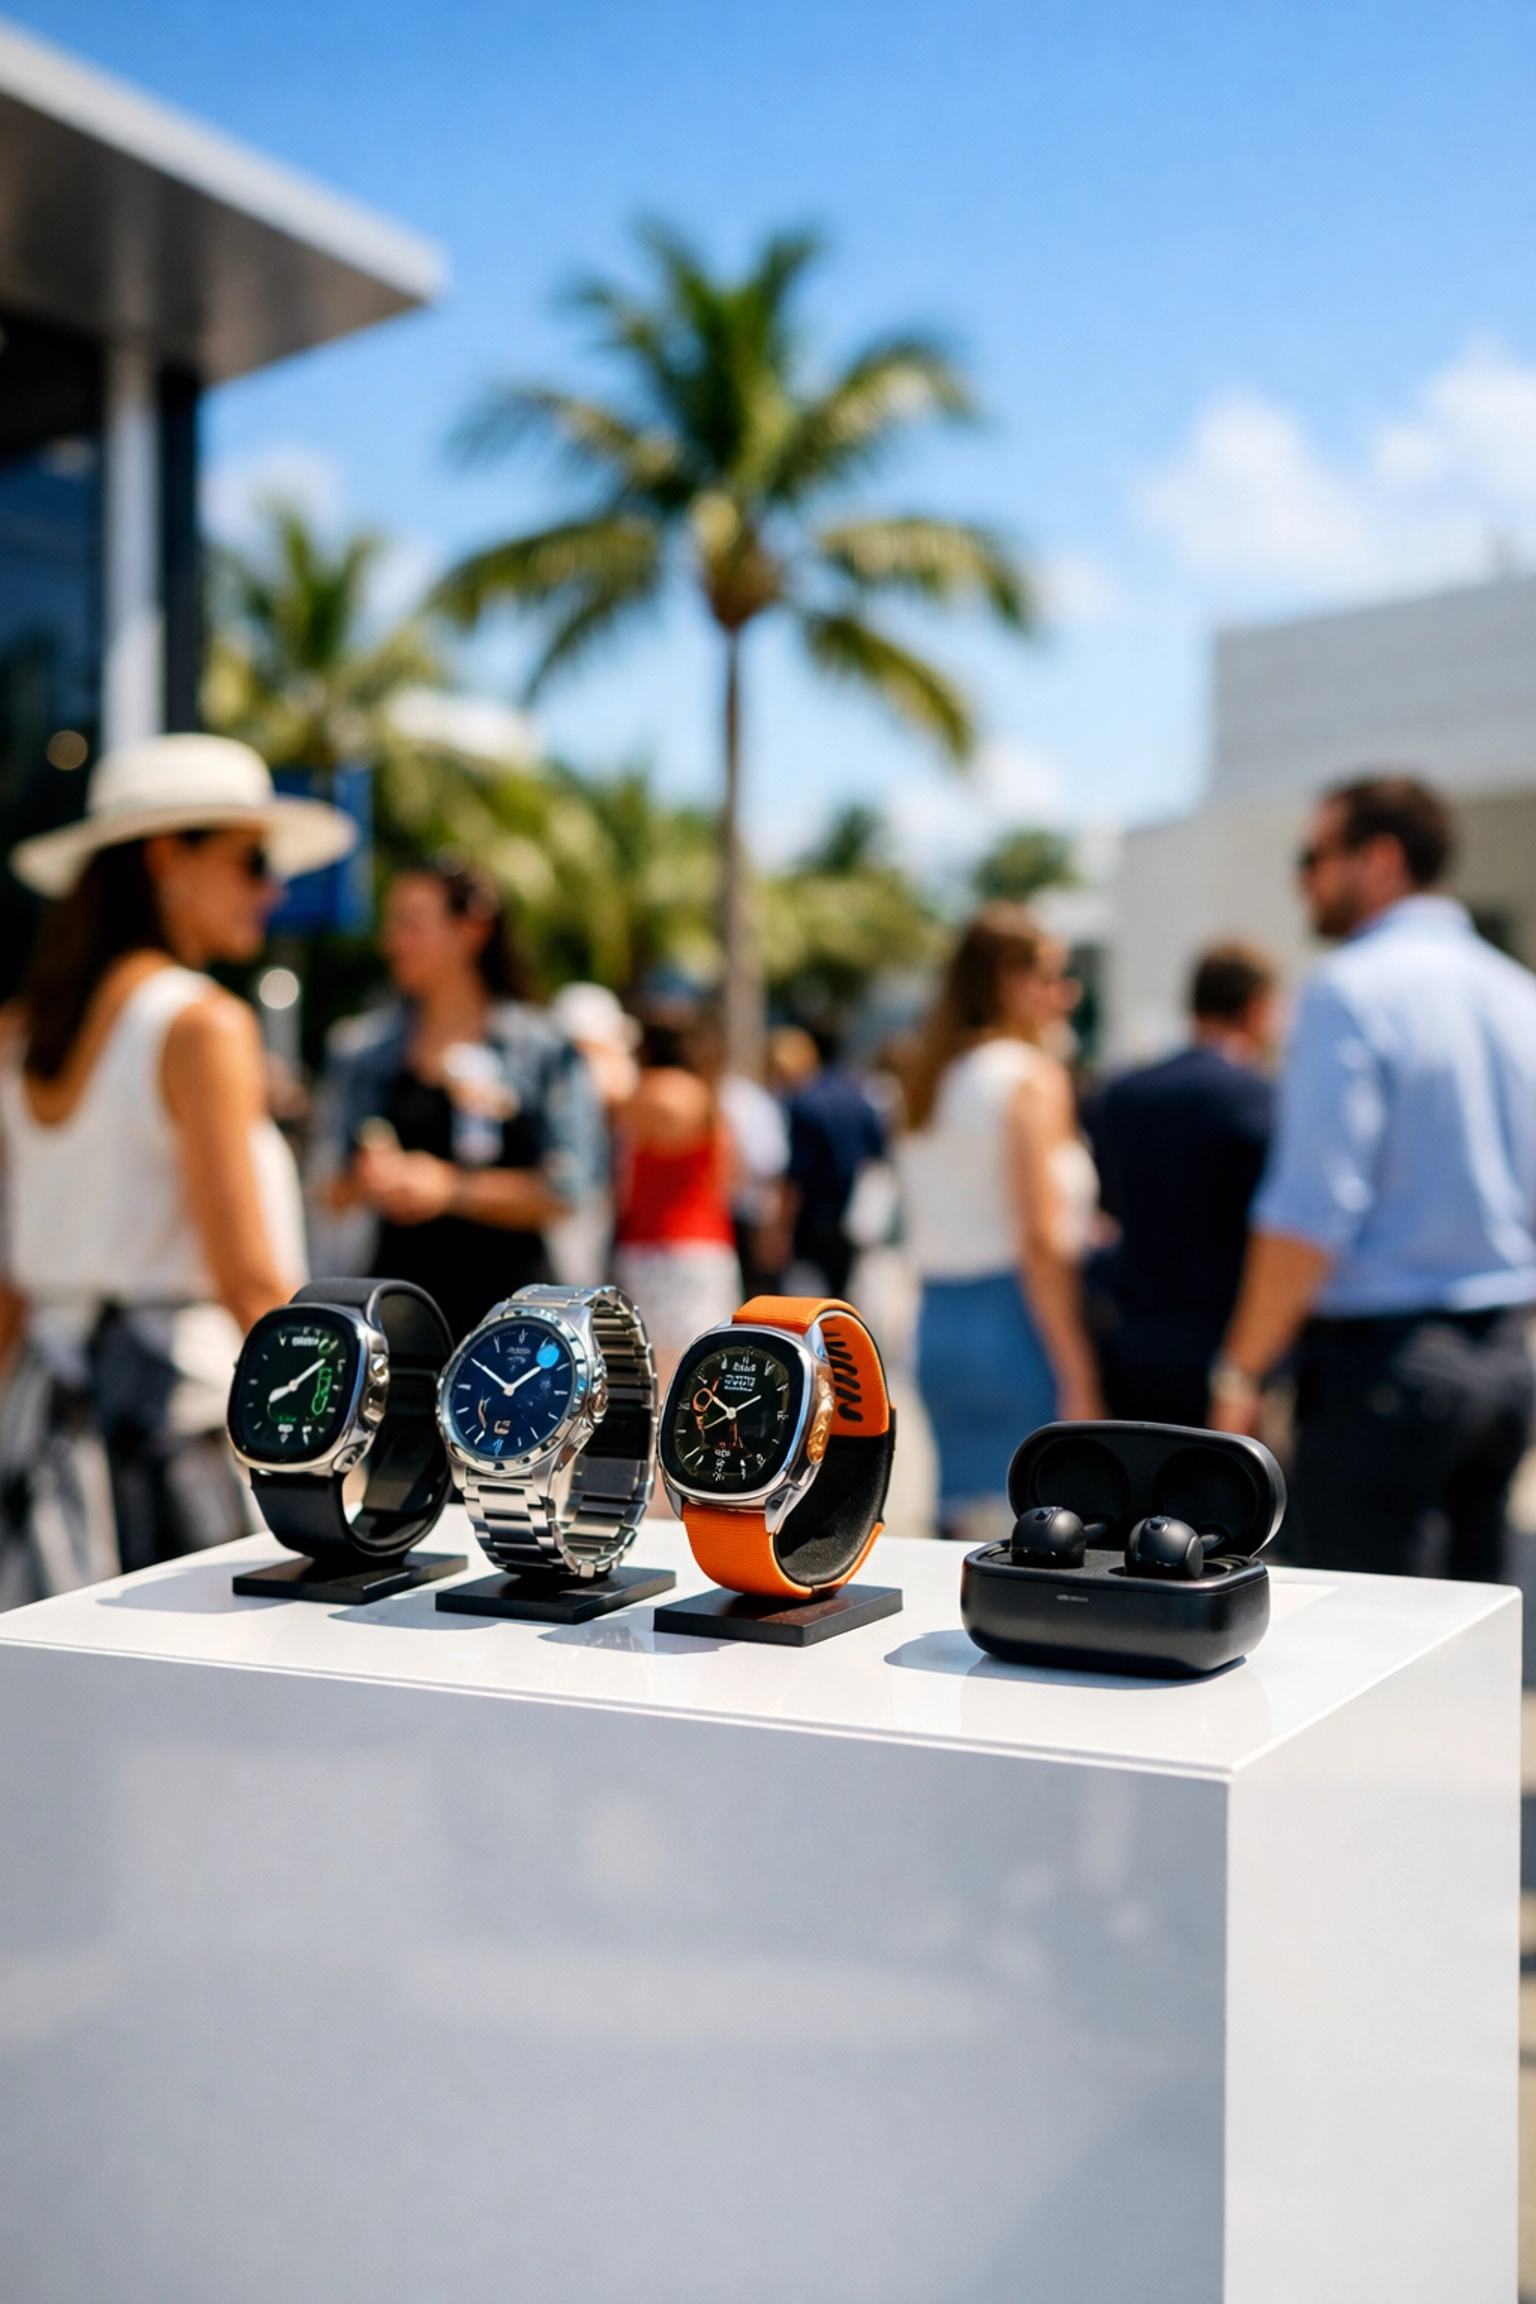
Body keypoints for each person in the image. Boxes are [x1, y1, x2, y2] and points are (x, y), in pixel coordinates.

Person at [0, 734, 349, 1595]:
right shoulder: (200, 1025)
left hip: (45, 1429)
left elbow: (13, 1280)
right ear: (166, 856)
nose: (274, 889)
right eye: (252, 861)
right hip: (176, 1433)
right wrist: (340, 1451)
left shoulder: (25, 1033)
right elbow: (249, 1279)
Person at [1212, 775, 1536, 1581]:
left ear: (1380, 859)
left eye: (1313, 856)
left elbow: (1312, 1211)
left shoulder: (1349, 989)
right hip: (1501, 1356)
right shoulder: (1515, 991)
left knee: (1372, 1662)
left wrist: (1243, 1370)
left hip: (1387, 1375)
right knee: (1476, 1650)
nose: (1302, 879)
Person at [318, 859, 601, 1344]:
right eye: (392, 923)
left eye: (411, 923)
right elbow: (329, 1189)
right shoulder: (361, 1050)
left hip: (515, 1325)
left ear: (471, 930)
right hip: (397, 1319)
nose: (392, 941)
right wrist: (369, 1177)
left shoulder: (544, 1048)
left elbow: (568, 1190)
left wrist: (449, 1188)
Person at [896, 906, 1102, 1540]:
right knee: (1047, 1531)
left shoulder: (928, 1080)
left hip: (939, 1322)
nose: (1066, 992)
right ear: (1010, 979)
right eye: (1051, 975)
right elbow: (1040, 1240)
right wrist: (1080, 1372)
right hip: (1017, 1323)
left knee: (961, 1530)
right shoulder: (1030, 1078)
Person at [1086, 942, 1277, 1427]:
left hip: (1133, 1332)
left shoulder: (1124, 1092)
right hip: (1224, 1338)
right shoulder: (1258, 1097)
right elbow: (1272, 1232)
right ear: (1257, 1007)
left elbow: (1107, 1205)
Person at [611, 1017, 741, 1388]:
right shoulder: (709, 1096)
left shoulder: (654, 1091)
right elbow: (730, 1177)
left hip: (656, 1243)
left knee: (657, 1366)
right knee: (706, 1362)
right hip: (703, 1242)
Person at [769, 1025, 886, 1302]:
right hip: (855, 1211)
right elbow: (878, 1154)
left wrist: (780, 1227)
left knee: (806, 1300)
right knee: (845, 1297)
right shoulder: (859, 1096)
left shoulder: (804, 1104)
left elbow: (797, 1174)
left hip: (813, 1216)